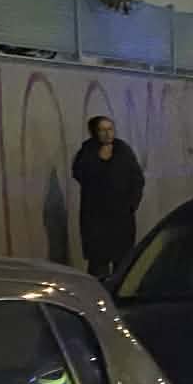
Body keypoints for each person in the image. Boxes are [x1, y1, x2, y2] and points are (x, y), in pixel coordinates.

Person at [70, 115, 145, 281]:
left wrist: (131, 204)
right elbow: (79, 173)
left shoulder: (123, 150)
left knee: (122, 262)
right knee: (98, 263)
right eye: (102, 130)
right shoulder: (87, 151)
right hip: (95, 217)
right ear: (94, 132)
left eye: (110, 129)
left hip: (121, 217)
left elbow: (137, 179)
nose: (107, 133)